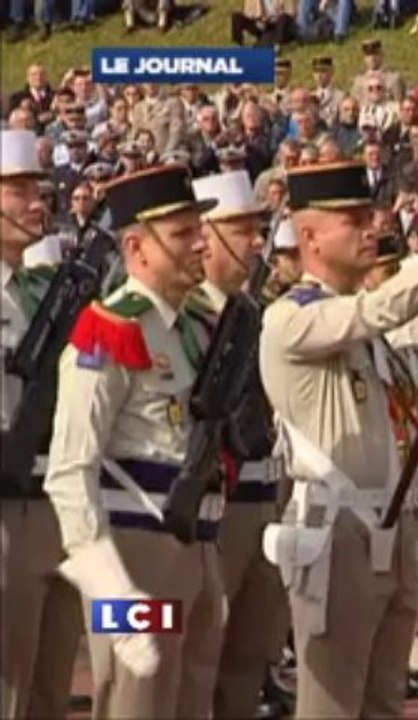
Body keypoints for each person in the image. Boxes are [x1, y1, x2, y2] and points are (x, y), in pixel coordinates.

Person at [256, 160, 418, 717]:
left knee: (383, 702)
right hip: (336, 531)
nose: (370, 229)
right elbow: (377, 309)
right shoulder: (291, 319)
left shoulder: (367, 337)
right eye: (352, 220)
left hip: (390, 529)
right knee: (331, 704)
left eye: (368, 216)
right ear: (310, 238)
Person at [45, 163, 224, 719]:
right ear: (136, 247)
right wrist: (111, 589)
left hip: (195, 547)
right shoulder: (111, 329)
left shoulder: (195, 327)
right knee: (136, 703)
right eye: (181, 233)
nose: (200, 243)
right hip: (134, 555)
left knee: (191, 699)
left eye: (199, 229)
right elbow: (70, 469)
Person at [186, 170, 293, 720]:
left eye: (258, 229)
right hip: (208, 509)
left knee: (250, 656)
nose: (257, 242)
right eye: (242, 230)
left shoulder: (252, 313)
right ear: (207, 235)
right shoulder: (185, 316)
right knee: (193, 659)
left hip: (261, 499)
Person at [0, 129, 85, 720]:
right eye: (18, 189)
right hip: (6, 511)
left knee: (50, 692)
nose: (37, 202)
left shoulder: (41, 292)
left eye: (38, 189)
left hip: (56, 500)